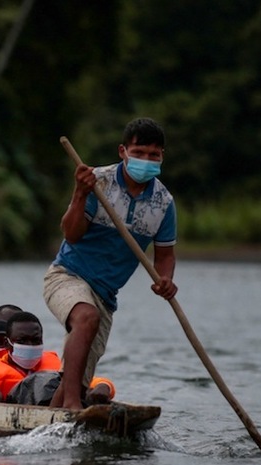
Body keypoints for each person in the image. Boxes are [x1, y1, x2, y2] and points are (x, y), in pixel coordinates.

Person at [44, 117, 177, 410]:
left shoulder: (163, 203)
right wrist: (80, 193)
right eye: (139, 153)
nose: (146, 160)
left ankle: (52, 417)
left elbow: (164, 255)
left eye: (153, 155)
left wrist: (165, 279)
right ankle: (71, 405)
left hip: (106, 295)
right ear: (123, 152)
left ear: (162, 157)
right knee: (86, 318)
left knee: (76, 380)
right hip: (67, 276)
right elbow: (71, 234)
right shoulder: (98, 182)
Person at [0, 312, 114, 418]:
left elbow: (94, 380)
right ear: (8, 343)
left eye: (35, 340)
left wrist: (103, 387)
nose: (29, 345)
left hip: (53, 407)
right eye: (22, 340)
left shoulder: (55, 364)